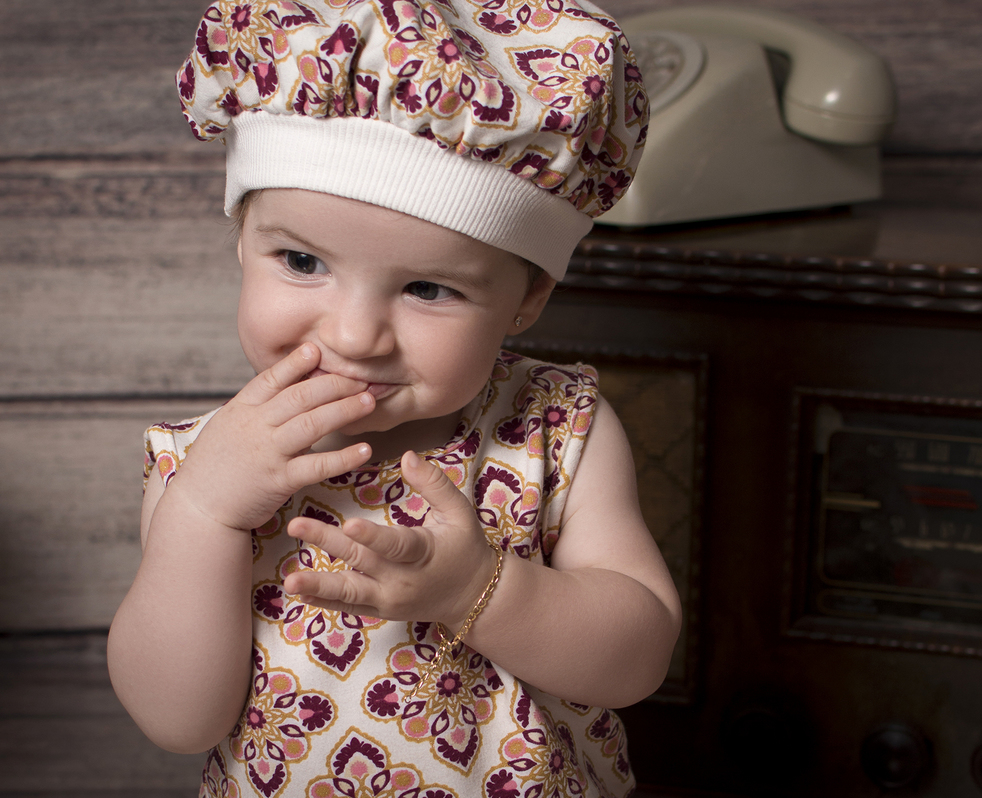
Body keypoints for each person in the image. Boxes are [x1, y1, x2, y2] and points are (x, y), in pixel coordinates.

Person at [107, 0, 681, 795]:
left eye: (426, 288)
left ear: (528, 298)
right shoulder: (203, 464)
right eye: (302, 263)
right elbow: (179, 720)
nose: (354, 335)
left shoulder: (555, 430)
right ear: (241, 239)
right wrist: (202, 514)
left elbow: (637, 658)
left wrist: (481, 592)